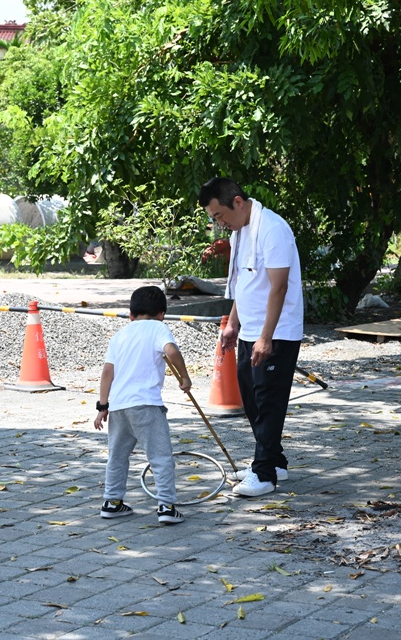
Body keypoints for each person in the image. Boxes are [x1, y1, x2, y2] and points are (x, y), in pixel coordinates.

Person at [199, 177, 304, 498]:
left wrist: (266, 338)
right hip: (249, 330)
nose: (219, 224)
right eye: (214, 219)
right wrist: (232, 323)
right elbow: (244, 284)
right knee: (252, 398)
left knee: (268, 401)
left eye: (219, 216)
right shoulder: (242, 231)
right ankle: (274, 461)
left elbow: (279, 286)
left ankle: (264, 474)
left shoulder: (272, 229)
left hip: (276, 333)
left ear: (238, 202)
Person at [93, 286, 193, 524]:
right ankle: (166, 506)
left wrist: (102, 406)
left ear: (130, 314)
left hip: (118, 407)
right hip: (146, 405)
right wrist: (185, 376)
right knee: (160, 456)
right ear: (162, 314)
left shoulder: (120, 335)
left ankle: (112, 502)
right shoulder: (159, 327)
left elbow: (108, 371)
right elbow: (171, 350)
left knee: (117, 456)